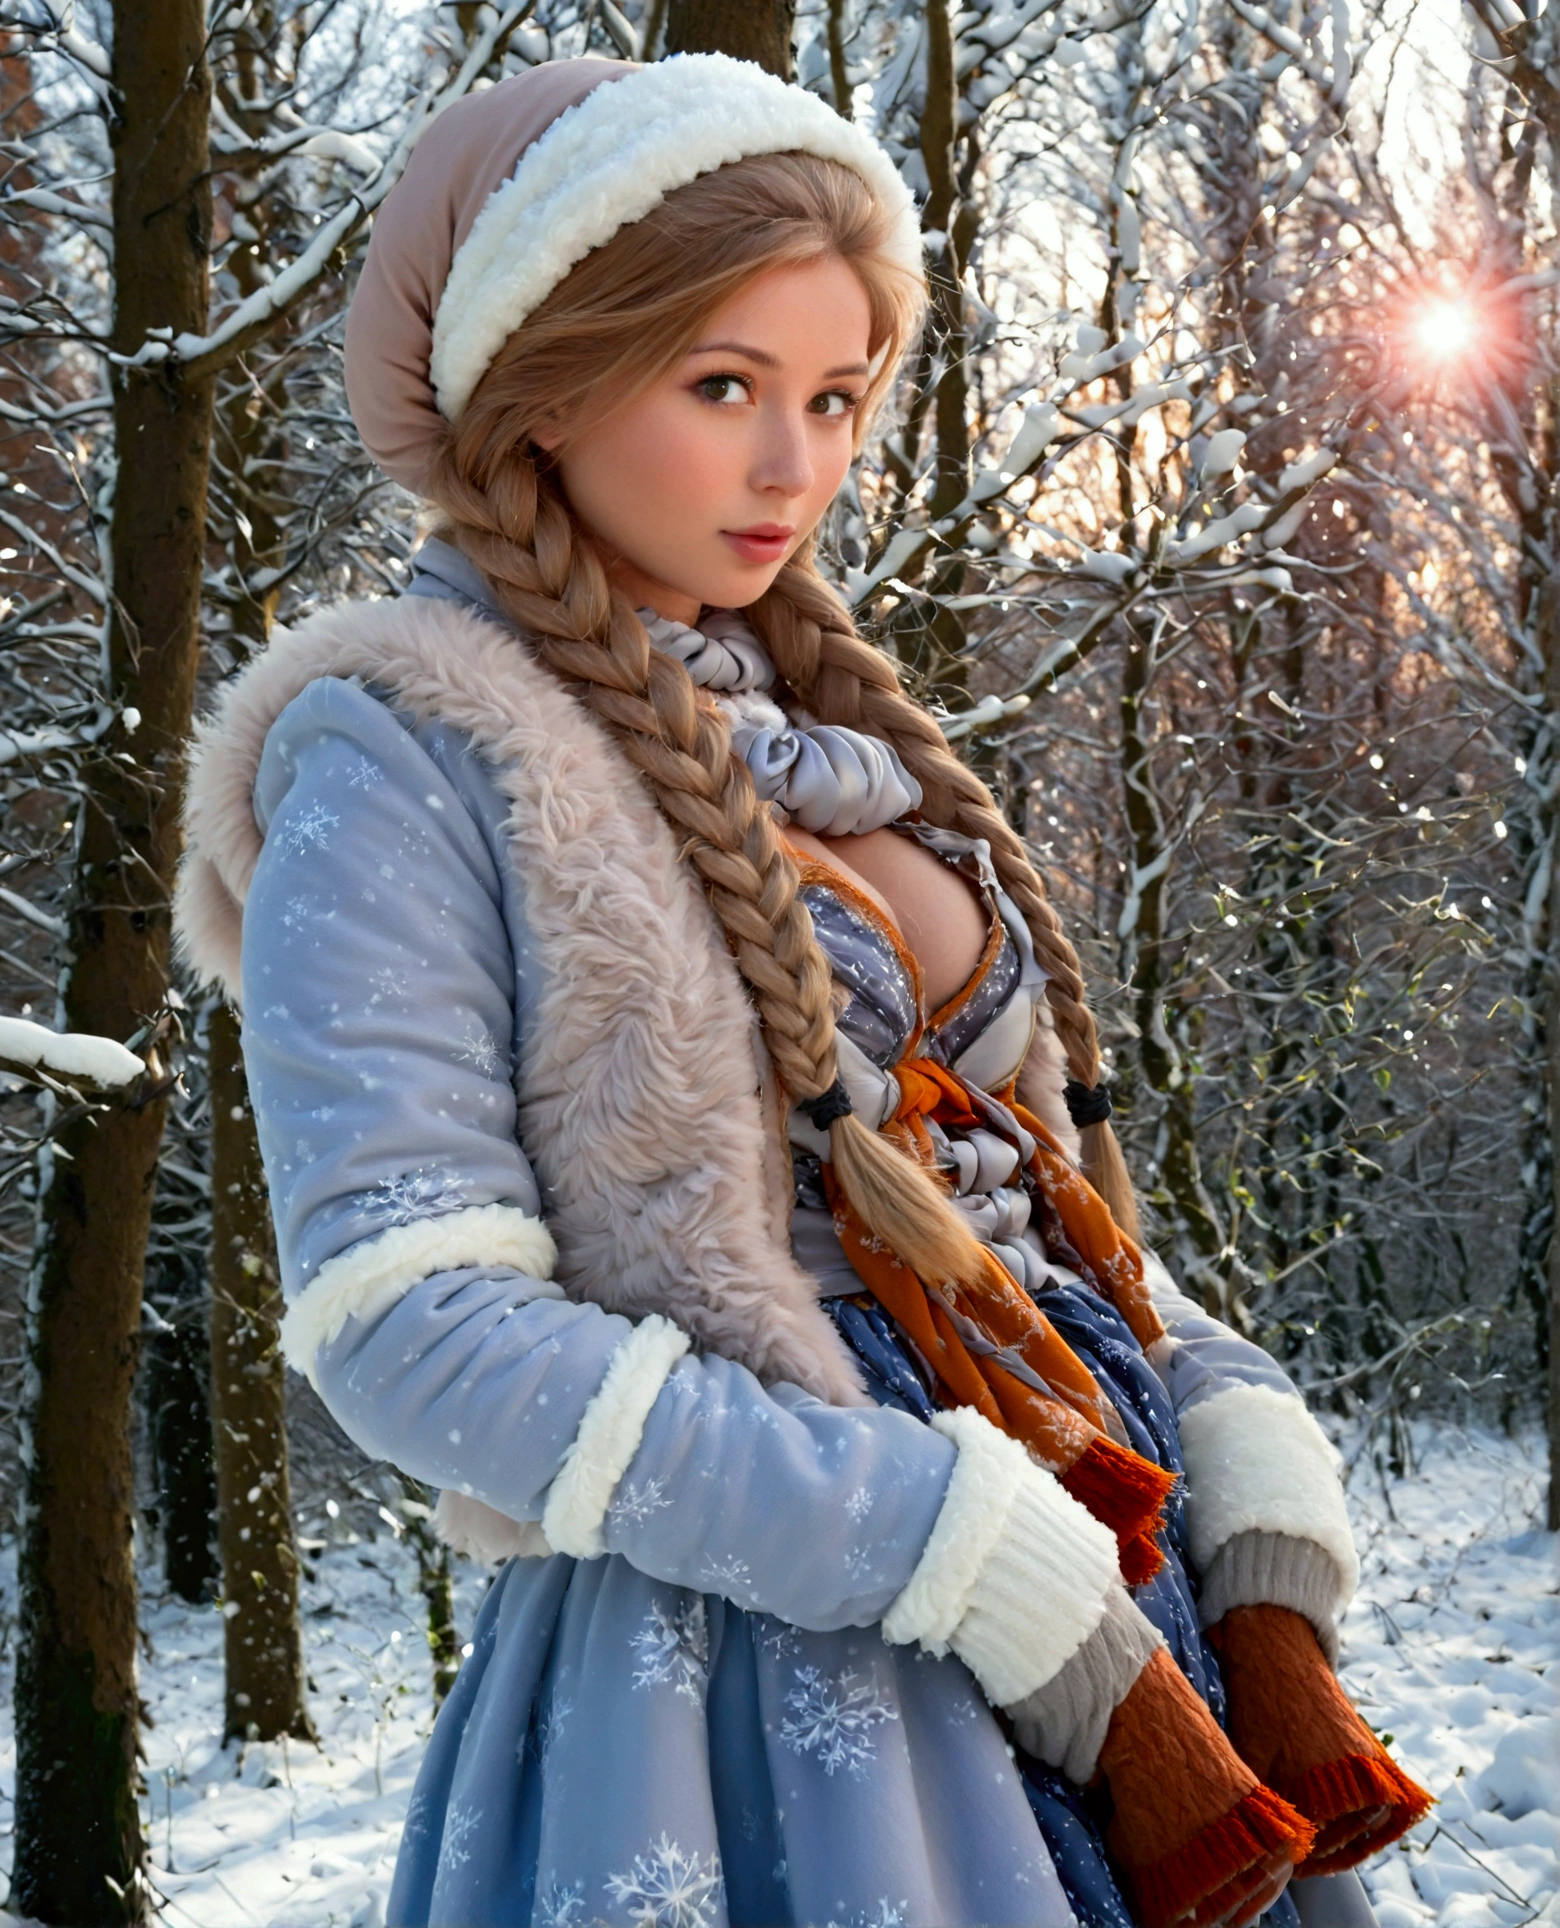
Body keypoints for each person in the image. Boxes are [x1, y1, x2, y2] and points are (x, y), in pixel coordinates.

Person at [175, 52, 1429, 1928]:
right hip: (756, 1672)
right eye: (723, 386)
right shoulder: (405, 746)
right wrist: (944, 1544)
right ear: (548, 388)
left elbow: (1022, 1215)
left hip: (1145, 1613)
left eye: (836, 397)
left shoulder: (837, 736)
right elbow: (411, 1327)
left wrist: (1226, 1429)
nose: (795, 467)